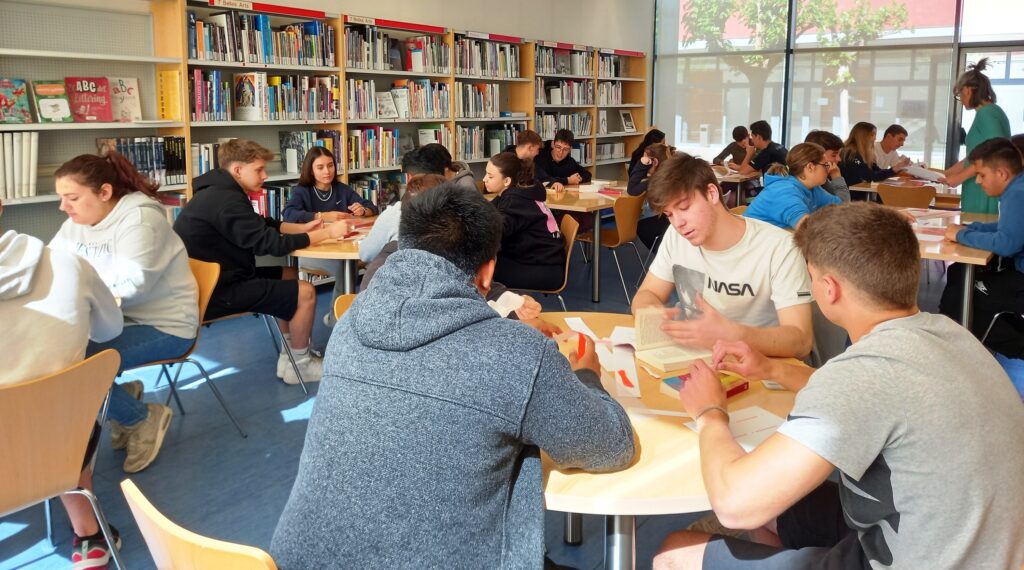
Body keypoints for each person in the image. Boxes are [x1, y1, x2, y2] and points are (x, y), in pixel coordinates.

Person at [269, 183, 636, 568]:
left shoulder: (349, 326)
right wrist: (586, 374)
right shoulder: (516, 352)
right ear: (488, 272)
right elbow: (611, 446)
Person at [652, 202, 1024, 569]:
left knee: (673, 551)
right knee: (779, 504)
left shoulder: (863, 372)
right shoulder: (950, 335)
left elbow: (735, 506)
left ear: (828, 288)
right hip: (973, 547)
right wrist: (771, 368)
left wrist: (709, 412)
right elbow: (867, 399)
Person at [50, 151, 196, 474]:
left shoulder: (141, 219)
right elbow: (53, 264)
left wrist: (75, 297)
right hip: (117, 320)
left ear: (104, 192)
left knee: (73, 367)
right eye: (61, 198)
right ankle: (119, 397)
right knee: (60, 357)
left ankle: (140, 417)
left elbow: (133, 284)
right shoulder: (76, 223)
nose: (63, 207)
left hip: (167, 326)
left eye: (72, 198)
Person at [0, 196, 126, 568]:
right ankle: (89, 534)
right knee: (55, 410)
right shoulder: (68, 263)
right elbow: (109, 331)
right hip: (63, 443)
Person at [173, 139, 352, 385]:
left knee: (291, 274)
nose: (265, 176)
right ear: (238, 170)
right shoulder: (226, 201)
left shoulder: (219, 192)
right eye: (259, 170)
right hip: (214, 293)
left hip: (219, 280)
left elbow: (262, 224)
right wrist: (327, 233)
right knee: (306, 292)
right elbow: (272, 244)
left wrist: (302, 228)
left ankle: (289, 355)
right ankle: (301, 365)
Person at [632, 153, 814, 358]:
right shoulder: (676, 236)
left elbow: (801, 340)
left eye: (684, 208)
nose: (678, 223)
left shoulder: (780, 248)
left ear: (711, 194)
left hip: (757, 363)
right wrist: (652, 311)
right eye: (669, 215)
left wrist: (733, 334)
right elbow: (647, 293)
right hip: (695, 358)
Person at [939, 138, 1024, 384]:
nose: (977, 181)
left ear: (1002, 173)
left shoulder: (1017, 193)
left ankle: (959, 348)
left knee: (963, 295)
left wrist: (962, 235)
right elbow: (1008, 227)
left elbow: (1007, 243)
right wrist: (972, 228)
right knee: (959, 274)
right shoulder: (1018, 187)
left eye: (981, 175)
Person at [283, 146, 377, 326]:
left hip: (340, 248)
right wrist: (322, 216)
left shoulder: (341, 189)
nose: (327, 171)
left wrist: (363, 210)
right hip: (311, 251)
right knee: (345, 268)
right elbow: (289, 214)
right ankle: (337, 320)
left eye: (330, 165)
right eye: (320, 167)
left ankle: (352, 316)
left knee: (368, 262)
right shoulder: (302, 191)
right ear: (310, 170)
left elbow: (371, 206)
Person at [485, 152, 566, 291]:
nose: (484, 179)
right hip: (546, 261)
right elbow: (489, 211)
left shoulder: (514, 201)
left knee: (480, 271)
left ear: (507, 181)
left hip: (544, 270)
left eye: (490, 176)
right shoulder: (521, 191)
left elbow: (497, 230)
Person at [943, 58, 1012, 215]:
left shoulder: (987, 114)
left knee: (977, 225)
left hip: (984, 188)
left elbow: (995, 152)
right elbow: (974, 156)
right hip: (977, 186)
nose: (961, 100)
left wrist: (960, 177)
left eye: (960, 94)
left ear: (968, 90)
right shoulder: (988, 112)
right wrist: (948, 173)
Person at [743, 143, 842, 230]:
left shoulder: (813, 188)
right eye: (825, 165)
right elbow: (807, 229)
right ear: (810, 167)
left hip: (778, 240)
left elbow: (842, 207)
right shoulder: (785, 191)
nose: (828, 169)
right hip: (755, 243)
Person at [629, 142, 674, 255]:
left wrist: (641, 165)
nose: (642, 160)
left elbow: (632, 189)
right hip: (666, 224)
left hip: (654, 225)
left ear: (654, 162)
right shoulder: (668, 177)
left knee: (639, 224)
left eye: (644, 159)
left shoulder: (655, 181)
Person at [838, 121, 897, 187]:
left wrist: (893, 170)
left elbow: (875, 169)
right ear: (863, 136)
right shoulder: (852, 154)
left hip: (856, 189)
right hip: (848, 191)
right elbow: (870, 176)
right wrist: (893, 170)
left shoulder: (862, 153)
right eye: (872, 135)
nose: (875, 138)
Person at [805, 130, 851, 202]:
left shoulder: (821, 179)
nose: (839, 159)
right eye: (834, 155)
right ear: (816, 155)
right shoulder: (813, 183)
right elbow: (843, 204)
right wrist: (836, 177)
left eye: (839, 155)